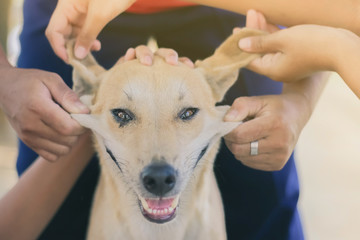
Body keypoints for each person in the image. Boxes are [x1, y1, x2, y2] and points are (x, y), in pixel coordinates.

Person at [3, 0, 359, 239]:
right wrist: (5, 80)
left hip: (228, 7)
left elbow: (345, 15)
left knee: (262, 200)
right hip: (75, 13)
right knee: (51, 211)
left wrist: (298, 106)